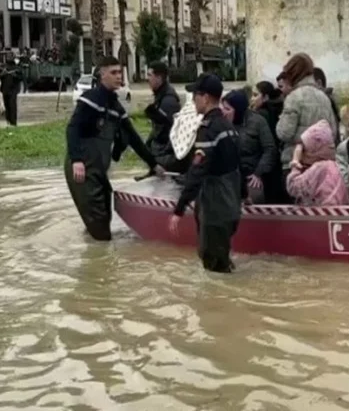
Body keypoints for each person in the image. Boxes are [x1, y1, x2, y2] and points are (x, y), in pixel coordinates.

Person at [65, 56, 163, 241]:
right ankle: (99, 256)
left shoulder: (115, 106)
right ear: (102, 75)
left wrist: (154, 164)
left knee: (105, 212)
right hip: (83, 167)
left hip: (99, 168)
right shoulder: (90, 100)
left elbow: (134, 138)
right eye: (114, 72)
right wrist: (77, 160)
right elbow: (72, 129)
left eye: (120, 72)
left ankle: (91, 243)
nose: (119, 76)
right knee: (100, 224)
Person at [169, 74, 243, 273]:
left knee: (214, 269)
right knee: (222, 262)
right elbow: (239, 166)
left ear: (206, 98)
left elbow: (197, 171)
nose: (193, 100)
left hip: (215, 208)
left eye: (195, 95)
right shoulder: (230, 127)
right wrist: (244, 196)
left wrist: (179, 209)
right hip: (231, 206)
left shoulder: (207, 129)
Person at [276, 53, 339, 191]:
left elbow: (284, 133)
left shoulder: (294, 97)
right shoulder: (324, 97)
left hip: (296, 164)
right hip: (321, 166)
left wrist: (280, 119)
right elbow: (333, 133)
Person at [222, 89, 278, 204]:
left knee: (254, 195)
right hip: (228, 175)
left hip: (251, 173)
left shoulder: (258, 122)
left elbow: (270, 149)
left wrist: (258, 173)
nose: (224, 112)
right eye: (223, 108)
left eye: (228, 109)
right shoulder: (221, 123)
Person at [286, 119, 348, 206]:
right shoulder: (333, 165)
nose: (302, 154)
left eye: (305, 149)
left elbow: (293, 188)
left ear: (314, 150)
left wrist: (295, 161)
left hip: (323, 216)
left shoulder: (319, 168)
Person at [143, 61, 184, 172]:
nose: (147, 79)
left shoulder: (168, 101)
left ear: (159, 78)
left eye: (150, 75)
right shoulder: (162, 95)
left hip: (166, 155)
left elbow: (168, 132)